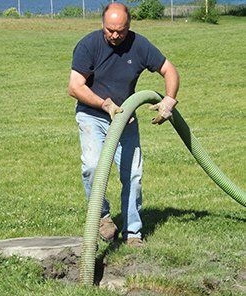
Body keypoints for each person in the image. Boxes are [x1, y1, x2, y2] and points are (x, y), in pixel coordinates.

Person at [68, 3, 180, 247]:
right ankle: (102, 216)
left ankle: (133, 234)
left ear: (129, 26)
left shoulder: (139, 45)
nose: (115, 36)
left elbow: (169, 69)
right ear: (102, 25)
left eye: (121, 31)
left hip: (125, 119)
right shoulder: (89, 45)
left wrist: (168, 100)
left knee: (133, 175)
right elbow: (75, 87)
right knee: (93, 166)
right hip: (93, 116)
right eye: (110, 30)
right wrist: (104, 104)